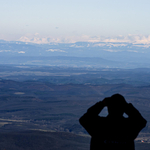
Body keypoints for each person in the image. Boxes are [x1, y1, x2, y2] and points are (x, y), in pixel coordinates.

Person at [79, 94, 147, 150]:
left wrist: (102, 104)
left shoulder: (99, 124)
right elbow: (141, 121)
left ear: (108, 108)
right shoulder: (129, 126)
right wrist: (126, 106)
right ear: (123, 109)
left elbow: (84, 119)